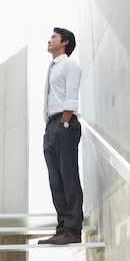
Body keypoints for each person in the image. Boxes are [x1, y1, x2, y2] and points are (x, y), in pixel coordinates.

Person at [39, 27, 83, 245]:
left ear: (64, 42)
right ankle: (62, 228)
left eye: (53, 37)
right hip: (50, 127)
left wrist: (64, 122)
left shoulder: (69, 65)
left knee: (68, 177)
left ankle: (73, 230)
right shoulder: (52, 67)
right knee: (55, 181)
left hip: (64, 124)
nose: (49, 40)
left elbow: (72, 97)